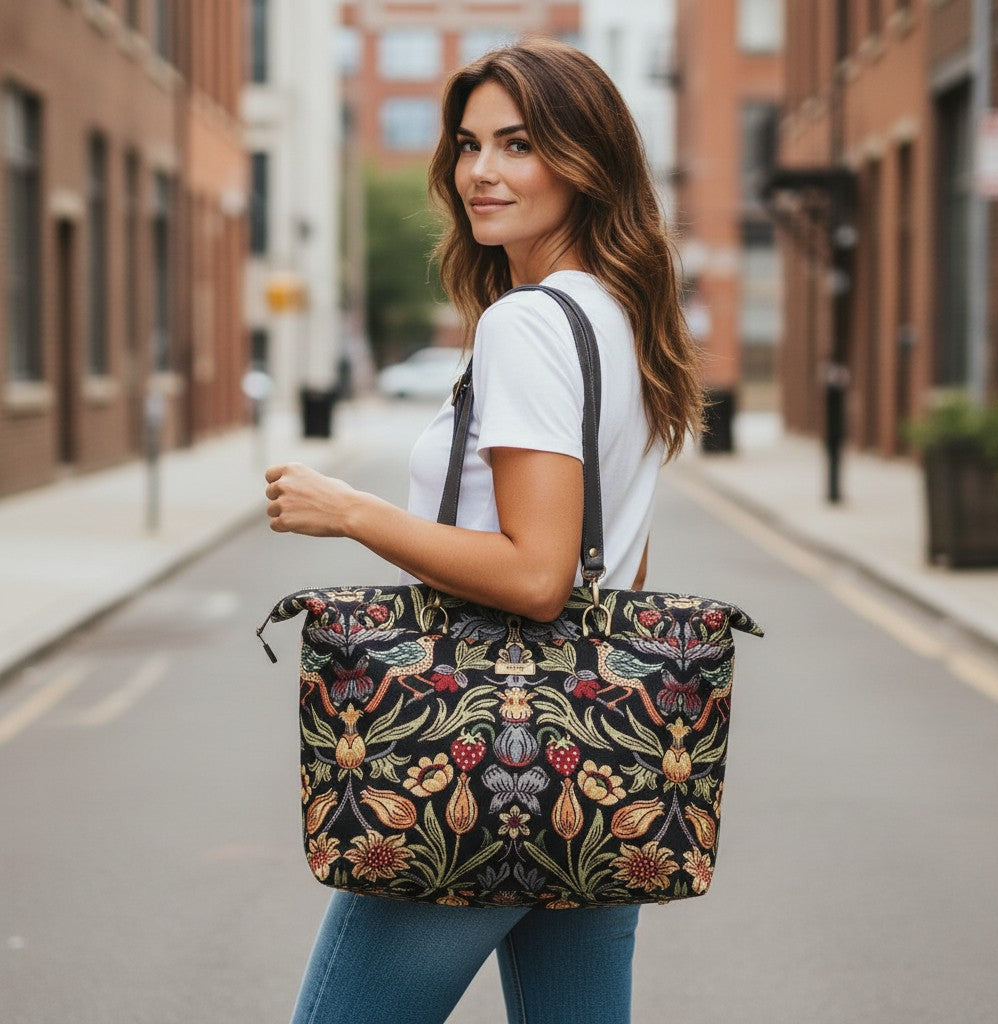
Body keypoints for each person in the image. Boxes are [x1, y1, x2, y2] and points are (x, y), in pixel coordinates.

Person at [264, 38, 703, 1024]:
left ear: (583, 162)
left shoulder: (528, 327)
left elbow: (542, 573)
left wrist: (351, 512)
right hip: (596, 768)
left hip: (476, 763)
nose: (481, 172)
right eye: (468, 144)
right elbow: (615, 559)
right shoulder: (618, 317)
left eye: (518, 144)